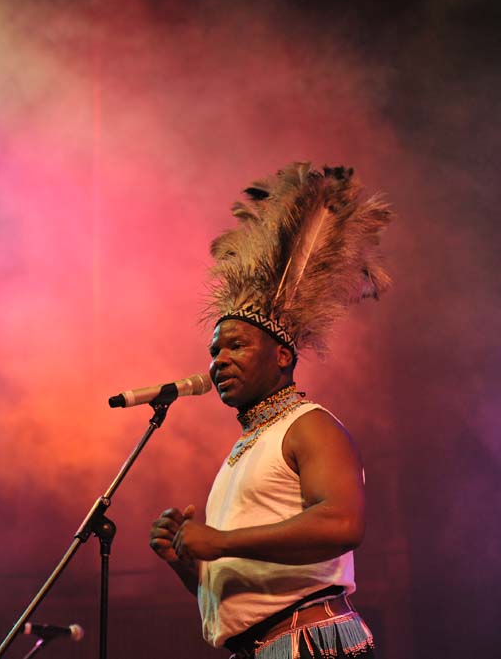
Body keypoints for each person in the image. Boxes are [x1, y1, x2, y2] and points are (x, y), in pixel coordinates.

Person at [148, 163, 391, 658]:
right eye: (215, 352)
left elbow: (343, 524)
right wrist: (187, 561)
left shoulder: (310, 425)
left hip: (305, 641)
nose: (219, 361)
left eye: (235, 346)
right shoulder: (244, 449)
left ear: (282, 355)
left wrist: (218, 542)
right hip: (261, 646)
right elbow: (239, 600)